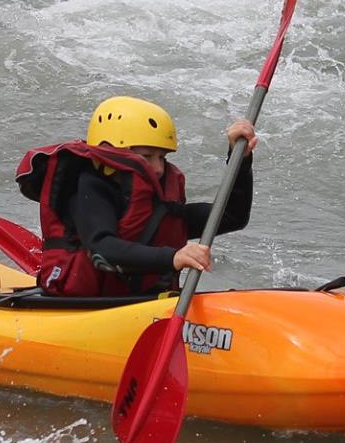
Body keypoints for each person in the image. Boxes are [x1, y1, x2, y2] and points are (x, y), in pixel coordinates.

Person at [15, 97, 257, 297]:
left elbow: (232, 217)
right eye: (146, 156)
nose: (159, 168)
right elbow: (102, 249)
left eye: (162, 157)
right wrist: (173, 257)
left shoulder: (158, 201)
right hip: (85, 306)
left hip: (145, 304)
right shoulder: (86, 189)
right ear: (111, 151)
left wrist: (241, 159)